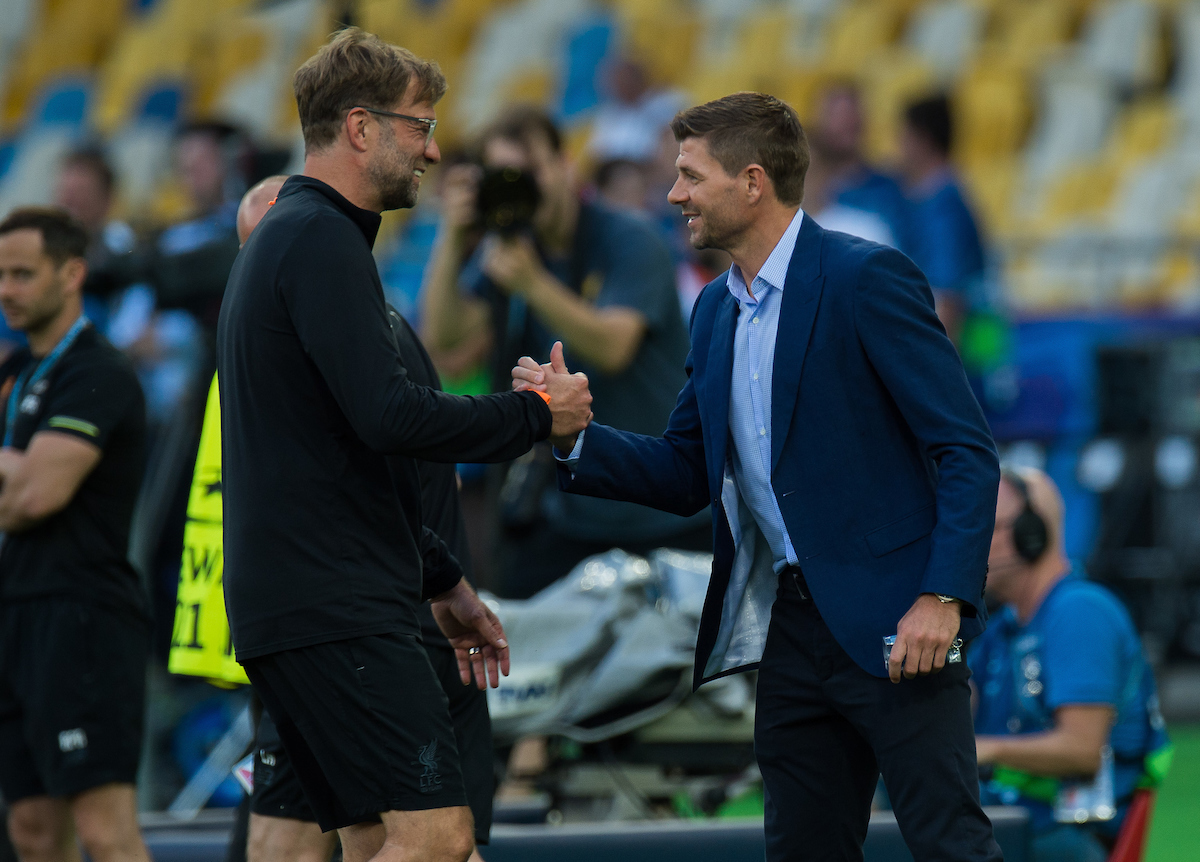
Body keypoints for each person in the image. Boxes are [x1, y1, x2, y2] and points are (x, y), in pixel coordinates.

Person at [513, 92, 1003, 862]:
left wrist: (942, 598)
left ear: (751, 181)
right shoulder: (712, 310)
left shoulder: (866, 277)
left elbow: (965, 449)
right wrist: (571, 435)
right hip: (792, 634)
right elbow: (684, 471)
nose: (671, 195)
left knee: (952, 849)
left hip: (899, 625)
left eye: (688, 176)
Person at [216, 28, 592, 862]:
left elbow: (348, 453)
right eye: (419, 125)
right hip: (336, 607)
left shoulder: (292, 239)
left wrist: (445, 584)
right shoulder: (317, 238)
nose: (432, 148)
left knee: (369, 839)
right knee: (436, 838)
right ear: (360, 127)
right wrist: (535, 415)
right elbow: (393, 419)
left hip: (301, 604)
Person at [422, 106, 707, 599]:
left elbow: (613, 348)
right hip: (574, 512)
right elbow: (447, 340)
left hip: (666, 511)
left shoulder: (627, 238)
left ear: (565, 165)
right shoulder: (511, 248)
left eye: (529, 171)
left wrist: (532, 282)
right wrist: (452, 237)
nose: (521, 187)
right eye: (503, 177)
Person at [0, 208, 150, 862]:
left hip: (83, 617)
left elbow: (36, 496)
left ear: (73, 273)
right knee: (31, 830)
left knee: (104, 828)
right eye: (0, 274)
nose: (6, 289)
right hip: (17, 612)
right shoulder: (15, 373)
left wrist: (20, 477)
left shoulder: (98, 372)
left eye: (23, 274)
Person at [971, 469, 1172, 862]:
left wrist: (981, 749)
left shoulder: (1079, 612)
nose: (970, 544)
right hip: (1016, 824)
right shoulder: (1003, 629)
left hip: (1066, 836)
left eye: (986, 529)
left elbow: (1080, 750)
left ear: (1032, 535)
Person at [898, 94, 986, 345]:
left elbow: (948, 296)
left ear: (922, 140)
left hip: (967, 347)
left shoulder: (944, 208)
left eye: (904, 137)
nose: (898, 147)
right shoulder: (939, 198)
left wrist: (935, 368)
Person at [803, 83, 910, 251]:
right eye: (837, 115)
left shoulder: (890, 188)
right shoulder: (802, 199)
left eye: (851, 114)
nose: (846, 123)